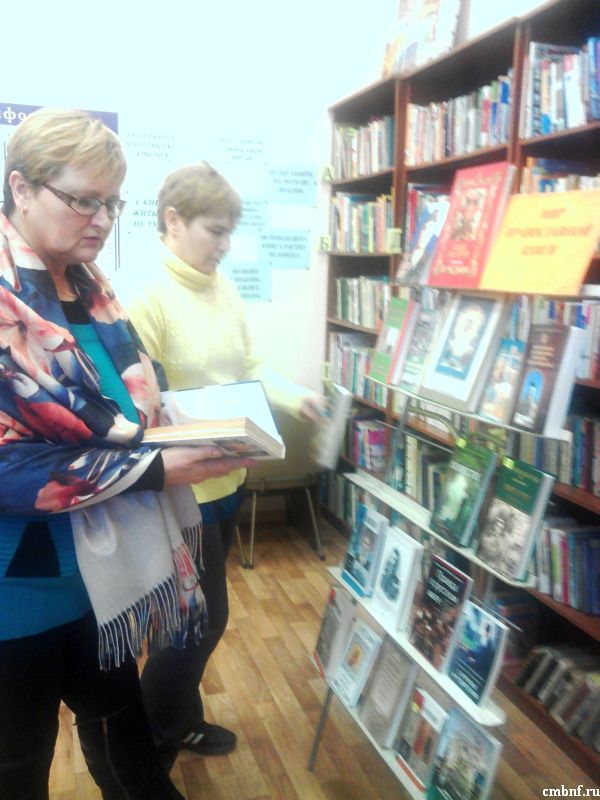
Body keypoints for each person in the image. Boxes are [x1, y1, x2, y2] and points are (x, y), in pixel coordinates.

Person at [0, 109, 251, 799]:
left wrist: (189, 432)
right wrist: (155, 468)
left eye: (113, 203)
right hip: (15, 593)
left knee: (129, 752)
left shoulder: (92, 292)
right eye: (84, 200)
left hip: (100, 577)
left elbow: (130, 405)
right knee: (18, 770)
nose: (103, 220)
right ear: (20, 189)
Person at [127, 163, 323, 763]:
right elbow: (145, 405)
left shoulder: (224, 288)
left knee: (190, 619)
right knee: (200, 621)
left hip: (228, 477)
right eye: (215, 231)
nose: (225, 245)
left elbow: (249, 366)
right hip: (184, 491)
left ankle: (179, 720)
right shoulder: (146, 296)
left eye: (230, 232)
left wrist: (297, 397)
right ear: (173, 221)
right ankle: (148, 739)